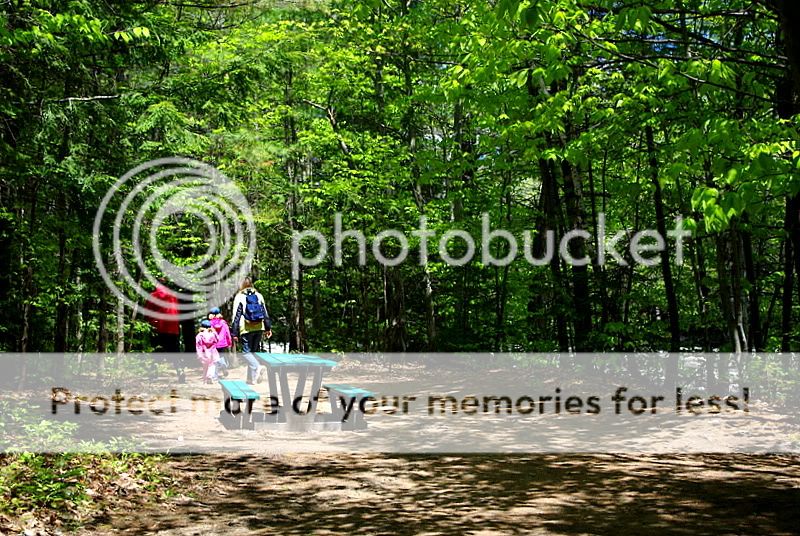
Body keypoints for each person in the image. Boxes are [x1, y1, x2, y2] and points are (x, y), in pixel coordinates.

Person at [144, 279, 186, 383]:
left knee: (156, 351)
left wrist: (149, 322)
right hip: (173, 328)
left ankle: (153, 375)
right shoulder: (173, 297)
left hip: (158, 327)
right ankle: (180, 372)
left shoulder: (153, 296)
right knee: (175, 351)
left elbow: (147, 313)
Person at [231, 278, 271, 385]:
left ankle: (258, 367)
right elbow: (265, 313)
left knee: (246, 353)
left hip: (246, 328)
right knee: (252, 353)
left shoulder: (239, 297)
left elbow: (236, 316)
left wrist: (234, 333)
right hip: (259, 327)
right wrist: (268, 328)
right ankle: (251, 379)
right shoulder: (259, 295)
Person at [209, 307, 231, 377]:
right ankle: (223, 365)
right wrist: (229, 342)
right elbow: (227, 333)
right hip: (222, 343)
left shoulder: (210, 323)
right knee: (220, 355)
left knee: (215, 358)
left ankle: (215, 375)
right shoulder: (223, 322)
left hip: (214, 343)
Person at [196, 319, 220, 384]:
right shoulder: (213, 334)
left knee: (205, 366)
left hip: (204, 353)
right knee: (212, 365)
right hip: (212, 353)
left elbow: (198, 345)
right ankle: (210, 376)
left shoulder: (199, 335)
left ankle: (204, 380)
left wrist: (199, 354)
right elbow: (217, 340)